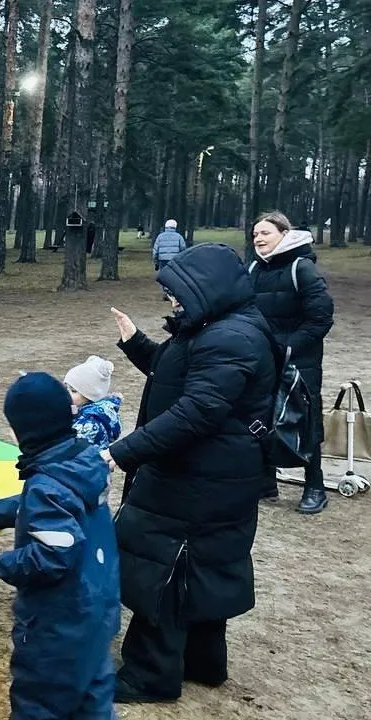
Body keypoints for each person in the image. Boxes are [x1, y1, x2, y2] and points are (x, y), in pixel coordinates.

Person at [102, 243, 276, 704]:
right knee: (203, 566)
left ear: (206, 289)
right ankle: (203, 663)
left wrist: (123, 453)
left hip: (197, 476)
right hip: (211, 475)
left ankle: (149, 676)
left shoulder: (230, 337)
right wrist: (136, 342)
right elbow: (177, 376)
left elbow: (198, 410)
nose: (172, 302)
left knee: (167, 569)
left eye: (176, 293)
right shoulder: (216, 328)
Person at [0, 372, 119, 719]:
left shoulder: (47, 484)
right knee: (92, 697)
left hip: (59, 627)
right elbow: (56, 501)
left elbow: (52, 554)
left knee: (41, 704)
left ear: (22, 431)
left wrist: (4, 565)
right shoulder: (82, 460)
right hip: (97, 610)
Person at [249, 211, 335, 513]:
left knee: (305, 418)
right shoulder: (254, 270)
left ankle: (315, 486)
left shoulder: (303, 269)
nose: (258, 239)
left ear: (284, 234)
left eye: (265, 233)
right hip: (263, 358)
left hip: (300, 361)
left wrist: (287, 347)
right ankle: (265, 480)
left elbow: (321, 318)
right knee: (262, 413)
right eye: (255, 234)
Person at [65, 355, 123, 451]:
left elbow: (68, 449)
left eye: (73, 390)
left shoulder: (91, 422)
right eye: (66, 388)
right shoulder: (85, 411)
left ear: (90, 395)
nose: (67, 393)